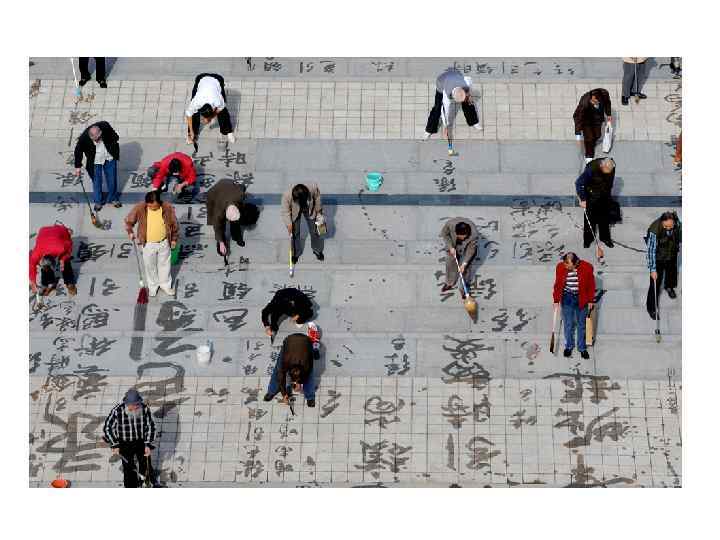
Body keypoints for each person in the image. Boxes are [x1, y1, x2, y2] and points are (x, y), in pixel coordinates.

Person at [102, 388, 160, 488]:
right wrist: (115, 444)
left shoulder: (144, 409)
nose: (135, 408)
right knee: (129, 467)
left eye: (137, 405)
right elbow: (108, 427)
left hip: (140, 441)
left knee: (145, 464)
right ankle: (131, 486)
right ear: (127, 404)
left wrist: (147, 444)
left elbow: (151, 426)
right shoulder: (117, 410)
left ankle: (146, 484)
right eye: (132, 406)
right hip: (124, 442)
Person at [124, 191, 179, 297]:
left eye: (155, 206)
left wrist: (174, 239)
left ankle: (165, 285)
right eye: (150, 206)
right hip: (148, 243)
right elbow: (128, 221)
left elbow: (174, 224)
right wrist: (130, 232)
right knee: (150, 266)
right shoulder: (140, 208)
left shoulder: (167, 208)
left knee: (165, 264)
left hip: (164, 242)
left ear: (159, 202)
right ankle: (153, 286)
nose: (152, 208)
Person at [552, 253, 596, 359]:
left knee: (581, 325)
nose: (565, 266)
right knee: (568, 324)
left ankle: (582, 348)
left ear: (575, 263)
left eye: (568, 264)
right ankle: (569, 346)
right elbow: (558, 284)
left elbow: (591, 285)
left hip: (581, 298)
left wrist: (591, 300)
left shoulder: (587, 267)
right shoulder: (560, 267)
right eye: (565, 263)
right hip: (567, 298)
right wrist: (556, 300)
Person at [73, 121, 121, 211]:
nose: (97, 140)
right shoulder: (84, 138)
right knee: (96, 181)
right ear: (90, 136)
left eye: (99, 138)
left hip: (109, 157)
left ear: (101, 132)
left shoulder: (105, 126)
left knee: (112, 180)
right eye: (95, 139)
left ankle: (113, 198)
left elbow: (115, 136)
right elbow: (78, 151)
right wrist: (78, 167)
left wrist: (111, 141)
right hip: (94, 161)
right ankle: (98, 201)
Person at [424, 68, 482, 141]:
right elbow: (445, 112)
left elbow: (468, 84)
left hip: (456, 75)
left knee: (468, 103)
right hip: (441, 82)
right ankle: (429, 130)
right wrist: (446, 128)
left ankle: (474, 122)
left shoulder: (466, 84)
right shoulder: (447, 95)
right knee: (437, 108)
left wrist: (469, 97)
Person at [206, 179, 259, 256]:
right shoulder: (219, 211)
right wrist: (221, 242)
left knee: (237, 221)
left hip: (228, 183)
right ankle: (221, 243)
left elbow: (242, 187)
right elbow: (217, 227)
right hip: (213, 194)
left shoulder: (240, 195)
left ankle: (236, 236)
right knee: (219, 224)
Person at [263, 333, 316, 407]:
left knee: (310, 375)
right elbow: (280, 377)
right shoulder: (284, 363)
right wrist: (284, 394)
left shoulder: (306, 365)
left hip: (306, 343)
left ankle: (310, 396)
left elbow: (306, 373)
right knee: (277, 371)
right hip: (289, 342)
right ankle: (271, 391)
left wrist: (299, 383)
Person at [646, 211, 681, 319]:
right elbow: (651, 251)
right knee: (655, 283)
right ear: (662, 222)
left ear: (674, 222)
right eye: (666, 227)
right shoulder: (654, 230)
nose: (668, 229)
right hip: (659, 257)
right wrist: (653, 269)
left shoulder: (677, 224)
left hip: (671, 253)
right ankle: (651, 308)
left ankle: (669, 287)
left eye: (671, 226)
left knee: (672, 272)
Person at [576, 157, 616, 249]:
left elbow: (610, 181)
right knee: (590, 219)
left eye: (611, 170)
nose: (609, 172)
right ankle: (588, 240)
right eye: (607, 170)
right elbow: (579, 183)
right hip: (591, 195)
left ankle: (605, 238)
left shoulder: (612, 166)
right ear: (602, 166)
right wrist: (583, 199)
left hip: (604, 194)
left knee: (604, 218)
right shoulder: (591, 169)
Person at [185, 73, 235, 144]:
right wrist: (191, 131)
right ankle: (192, 134)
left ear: (213, 109)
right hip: (201, 78)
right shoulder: (196, 102)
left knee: (223, 112)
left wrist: (210, 118)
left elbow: (221, 108)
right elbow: (188, 115)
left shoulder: (217, 101)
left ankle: (228, 131)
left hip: (217, 79)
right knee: (194, 113)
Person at [281, 183, 324, 262]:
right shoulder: (286, 196)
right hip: (294, 211)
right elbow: (285, 212)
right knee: (295, 233)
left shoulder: (313, 188)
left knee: (315, 230)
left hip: (308, 208)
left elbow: (317, 198)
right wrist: (289, 224)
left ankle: (317, 249)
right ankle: (296, 253)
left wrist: (318, 210)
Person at [29, 224, 76, 297]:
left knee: (65, 261)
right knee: (45, 267)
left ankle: (69, 282)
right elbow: (31, 266)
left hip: (61, 230)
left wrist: (63, 259)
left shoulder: (62, 247)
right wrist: (33, 282)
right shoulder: (37, 253)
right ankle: (46, 283)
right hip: (43, 231)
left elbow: (69, 246)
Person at [439, 218, 479, 296]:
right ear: (455, 232)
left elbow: (471, 250)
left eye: (464, 237)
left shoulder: (474, 234)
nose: (462, 239)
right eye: (460, 237)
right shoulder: (449, 224)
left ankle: (463, 287)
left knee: (466, 267)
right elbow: (444, 234)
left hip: (468, 247)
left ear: (467, 234)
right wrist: (450, 247)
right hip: (453, 244)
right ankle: (450, 282)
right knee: (450, 261)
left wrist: (464, 264)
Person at [573, 88, 613, 162]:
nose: (593, 101)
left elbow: (607, 103)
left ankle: (591, 144)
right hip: (586, 120)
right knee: (589, 138)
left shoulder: (604, 94)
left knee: (598, 135)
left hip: (597, 119)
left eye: (596, 101)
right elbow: (577, 117)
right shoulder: (584, 102)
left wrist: (608, 114)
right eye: (592, 100)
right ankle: (589, 155)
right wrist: (578, 135)